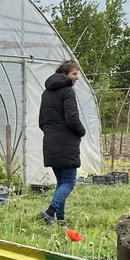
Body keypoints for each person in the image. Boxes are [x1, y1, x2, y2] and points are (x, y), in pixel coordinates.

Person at [38, 59, 86, 225]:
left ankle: (61, 219)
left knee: (61, 183)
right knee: (69, 182)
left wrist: (52, 134)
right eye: (74, 74)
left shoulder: (46, 93)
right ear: (65, 75)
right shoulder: (67, 91)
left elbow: (41, 122)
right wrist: (81, 132)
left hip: (50, 142)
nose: (77, 77)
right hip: (66, 144)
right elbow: (72, 118)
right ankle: (50, 212)